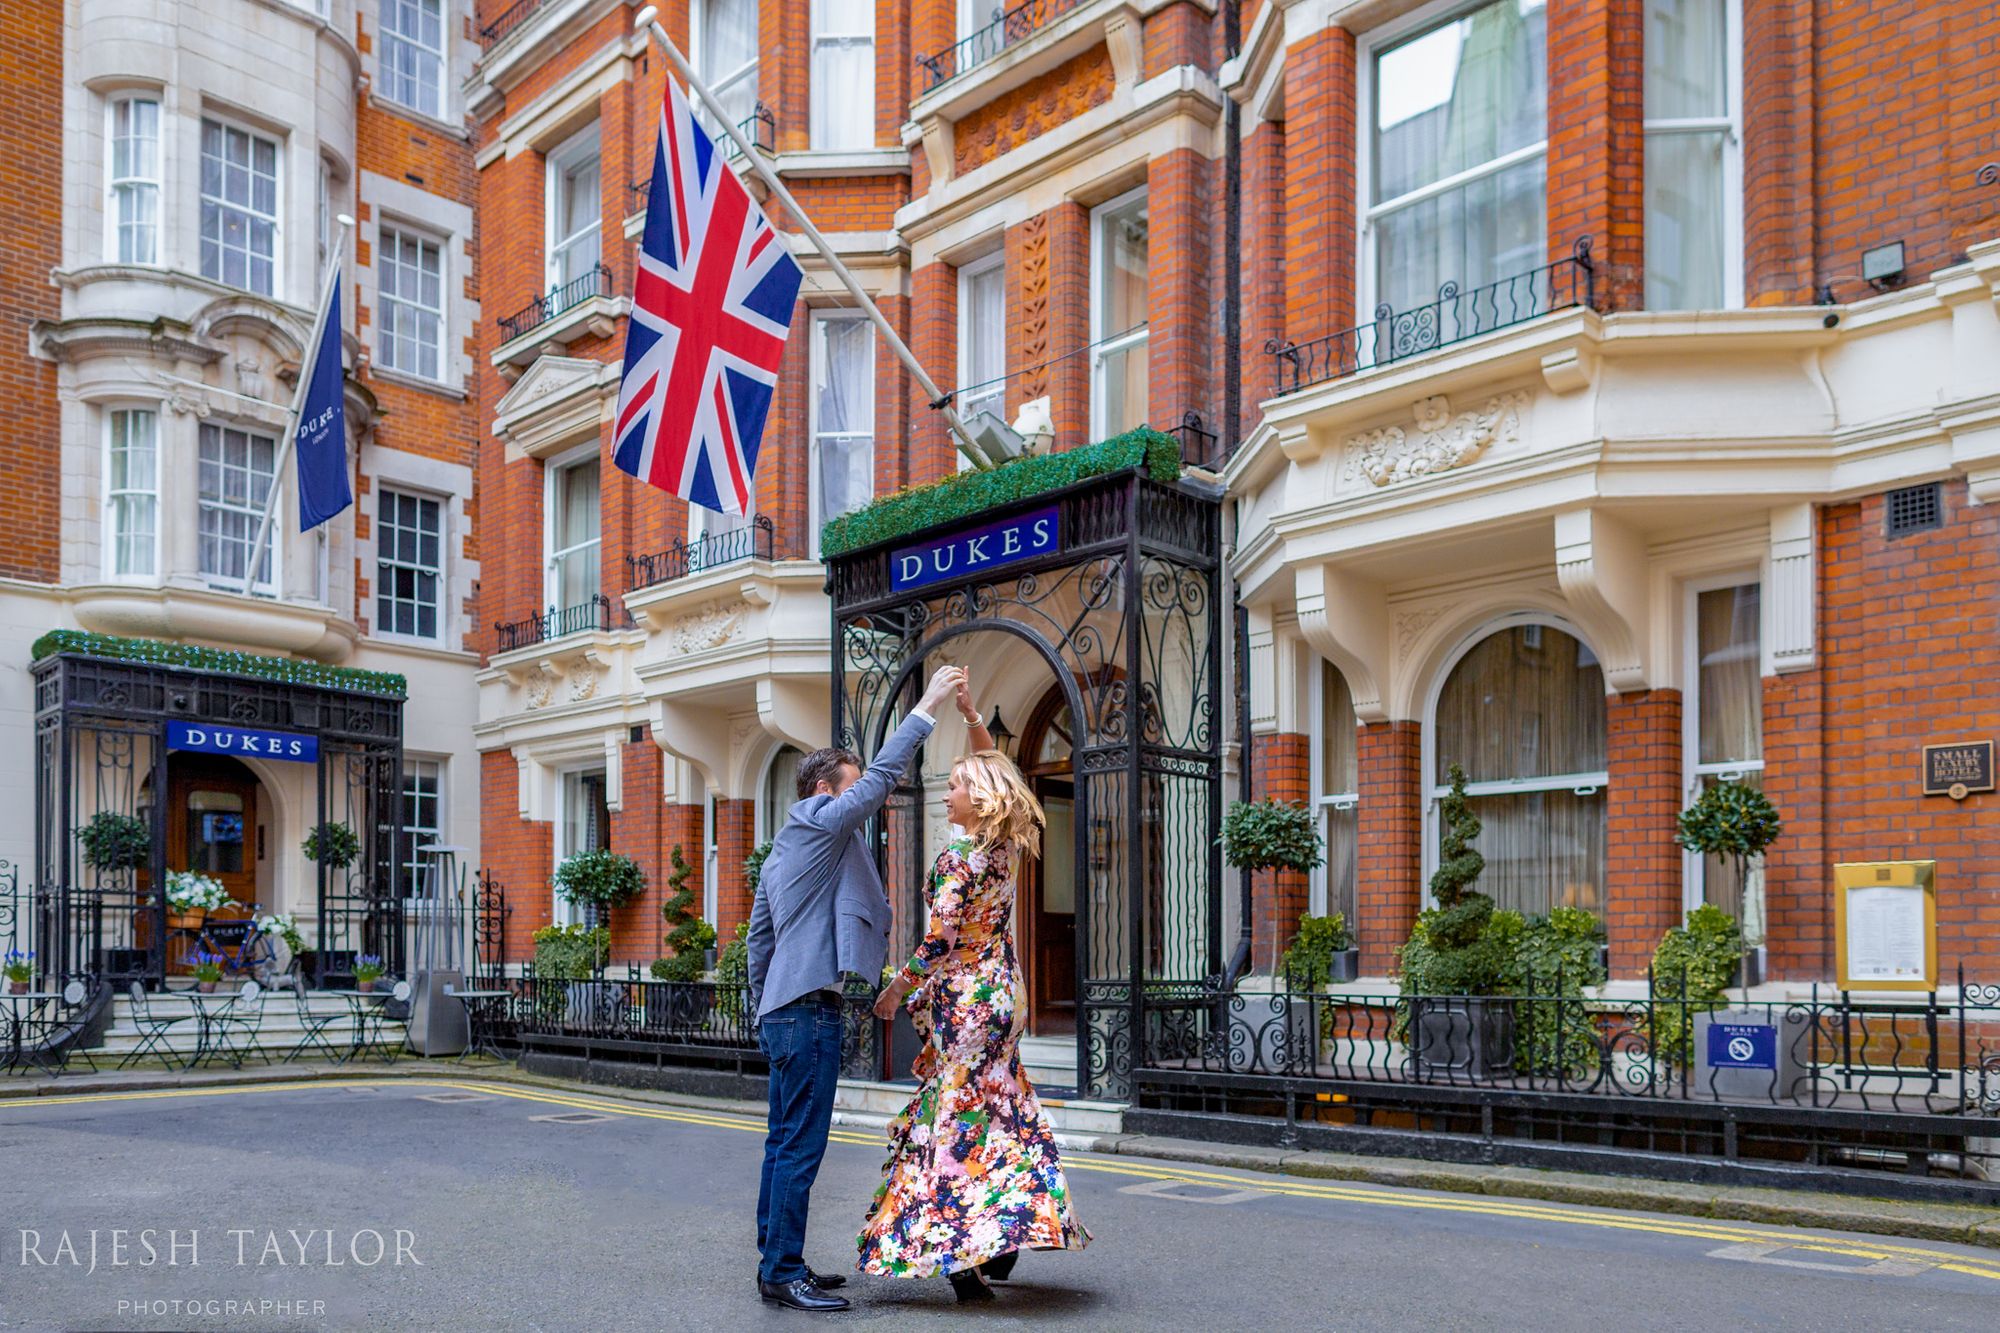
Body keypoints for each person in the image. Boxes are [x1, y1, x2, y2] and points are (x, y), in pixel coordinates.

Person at [746, 663, 970, 1313]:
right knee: (800, 1145)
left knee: (782, 1142)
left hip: (784, 1009)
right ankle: (782, 1270)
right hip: (806, 1010)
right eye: (851, 788)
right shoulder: (819, 821)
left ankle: (777, 1260)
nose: (860, 806)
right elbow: (879, 781)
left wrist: (762, 1010)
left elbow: (760, 941)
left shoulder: (783, 852)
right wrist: (927, 706)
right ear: (824, 791)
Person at [857, 721, 1092, 1301]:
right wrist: (970, 718)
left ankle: (961, 1257)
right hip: (1005, 994)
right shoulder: (1005, 847)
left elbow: (939, 941)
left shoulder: (961, 857)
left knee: (956, 1115)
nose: (947, 793)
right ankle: (1005, 1235)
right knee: (1004, 1107)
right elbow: (1004, 774)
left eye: (957, 785)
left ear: (981, 797)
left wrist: (896, 990)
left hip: (965, 1000)